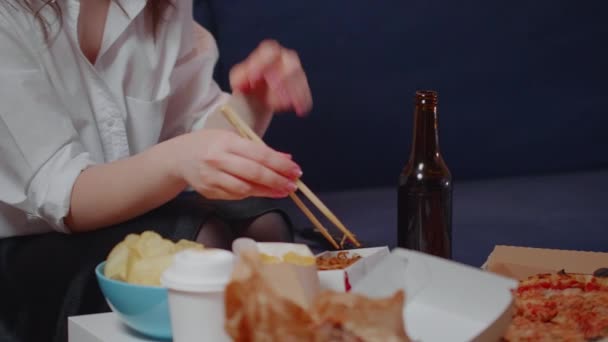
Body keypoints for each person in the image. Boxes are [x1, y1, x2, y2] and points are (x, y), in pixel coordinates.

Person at [0, 0, 313, 341]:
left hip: (129, 219)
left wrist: (252, 103)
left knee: (260, 226)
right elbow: (65, 193)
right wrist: (177, 162)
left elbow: (194, 129)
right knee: (199, 248)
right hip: (25, 252)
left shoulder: (161, 5)